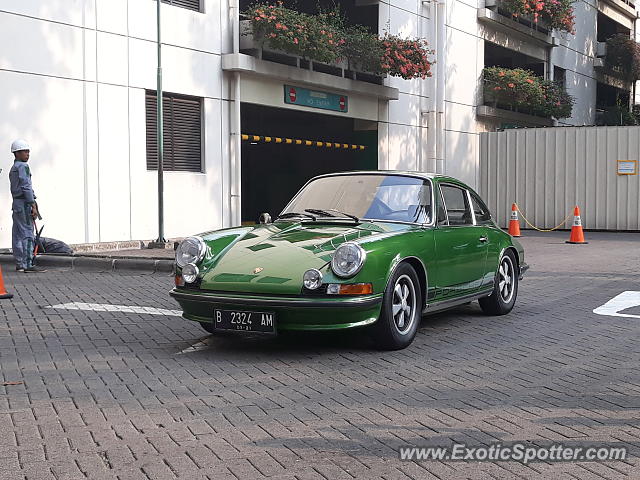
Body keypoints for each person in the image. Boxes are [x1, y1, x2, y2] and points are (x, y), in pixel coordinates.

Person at [9, 139, 46, 273]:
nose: (28, 154)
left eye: (28, 151)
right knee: (28, 234)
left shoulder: (13, 168)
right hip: (24, 204)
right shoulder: (23, 167)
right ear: (16, 153)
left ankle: (20, 263)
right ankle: (28, 264)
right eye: (25, 151)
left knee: (17, 234)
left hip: (16, 204)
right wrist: (33, 205)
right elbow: (26, 187)